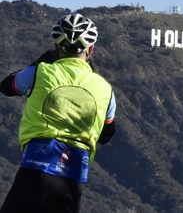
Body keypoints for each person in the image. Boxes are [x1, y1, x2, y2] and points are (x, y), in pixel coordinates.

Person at [0, 13, 116, 213]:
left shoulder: (40, 72)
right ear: (90, 50)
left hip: (36, 171)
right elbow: (106, 135)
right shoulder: (106, 90)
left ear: (56, 47)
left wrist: (39, 62)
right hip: (73, 180)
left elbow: (6, 86)